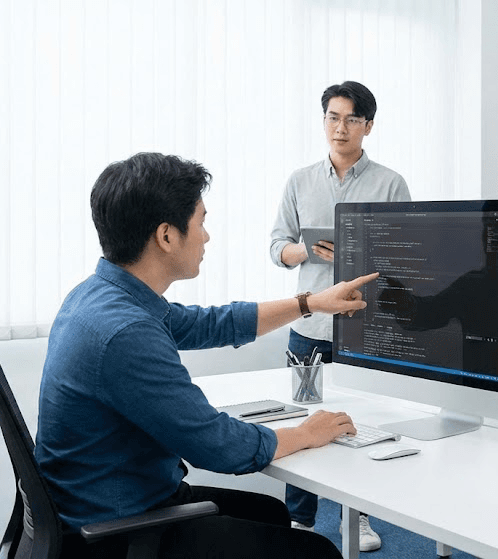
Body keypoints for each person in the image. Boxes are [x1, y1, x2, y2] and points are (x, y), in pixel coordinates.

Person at [36, 152, 378, 559]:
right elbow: (218, 446)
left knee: (269, 512)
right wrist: (306, 433)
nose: (207, 236)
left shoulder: (101, 295)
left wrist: (312, 302)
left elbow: (209, 323)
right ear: (166, 236)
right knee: (316, 551)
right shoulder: (125, 332)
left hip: (107, 500)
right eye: (200, 221)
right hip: (115, 533)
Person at [269, 81, 410, 550]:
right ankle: (300, 520)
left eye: (351, 119)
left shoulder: (390, 183)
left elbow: (405, 253)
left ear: (368, 125)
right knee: (301, 420)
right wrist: (304, 250)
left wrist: (365, 251)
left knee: (363, 418)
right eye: (332, 117)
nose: (340, 128)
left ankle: (361, 517)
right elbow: (277, 248)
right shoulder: (299, 180)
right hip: (308, 326)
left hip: (364, 324)